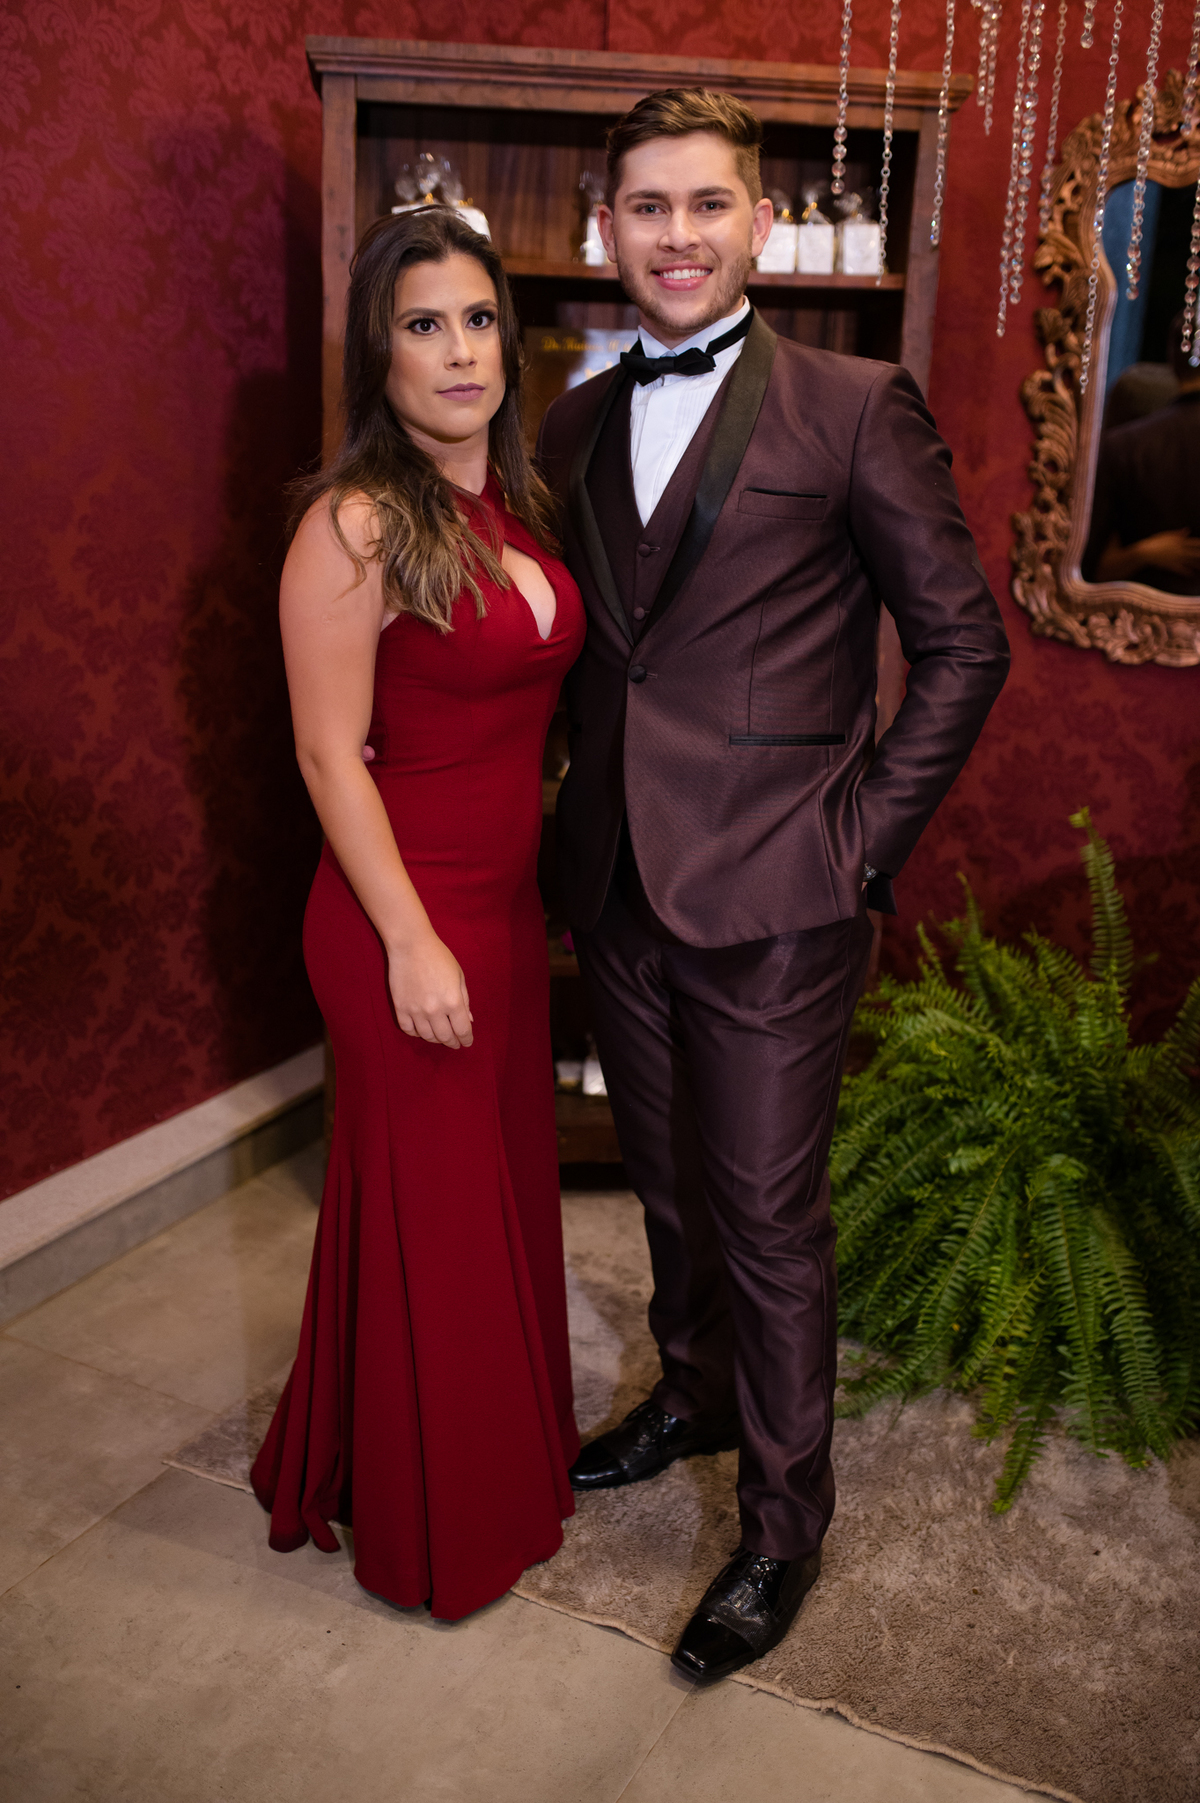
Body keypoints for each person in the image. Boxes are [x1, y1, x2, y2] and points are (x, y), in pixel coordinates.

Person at [536, 88, 1009, 1682]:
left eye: (707, 204)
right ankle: (693, 1394)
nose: (676, 235)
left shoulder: (855, 405)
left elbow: (963, 644)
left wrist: (856, 840)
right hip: (617, 881)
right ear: (607, 226)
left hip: (784, 894)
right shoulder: (569, 425)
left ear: (759, 221)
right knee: (667, 1183)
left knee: (766, 1212)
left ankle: (785, 1522)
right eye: (646, 206)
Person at [251, 208, 584, 1620]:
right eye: (422, 325)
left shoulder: (513, 509)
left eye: (479, 320)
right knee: (435, 1225)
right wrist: (410, 941)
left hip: (501, 916)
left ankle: (480, 1461)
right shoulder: (354, 524)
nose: (459, 352)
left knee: (487, 1200)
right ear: (375, 356)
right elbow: (329, 755)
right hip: (405, 922)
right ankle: (433, 1529)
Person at [1083, 313, 1200, 595]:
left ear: (1173, 357)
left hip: (1137, 611)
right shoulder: (1120, 448)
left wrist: (1140, 553)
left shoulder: (1120, 447)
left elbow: (1085, 573)